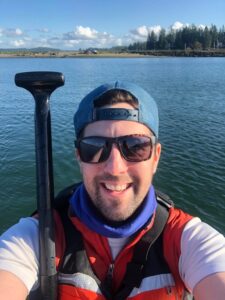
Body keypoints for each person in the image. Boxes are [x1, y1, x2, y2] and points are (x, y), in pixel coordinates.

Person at [0, 81, 225, 300]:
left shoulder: (188, 242)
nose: (115, 168)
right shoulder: (38, 237)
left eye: (136, 147)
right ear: (79, 157)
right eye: (95, 147)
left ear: (156, 157)